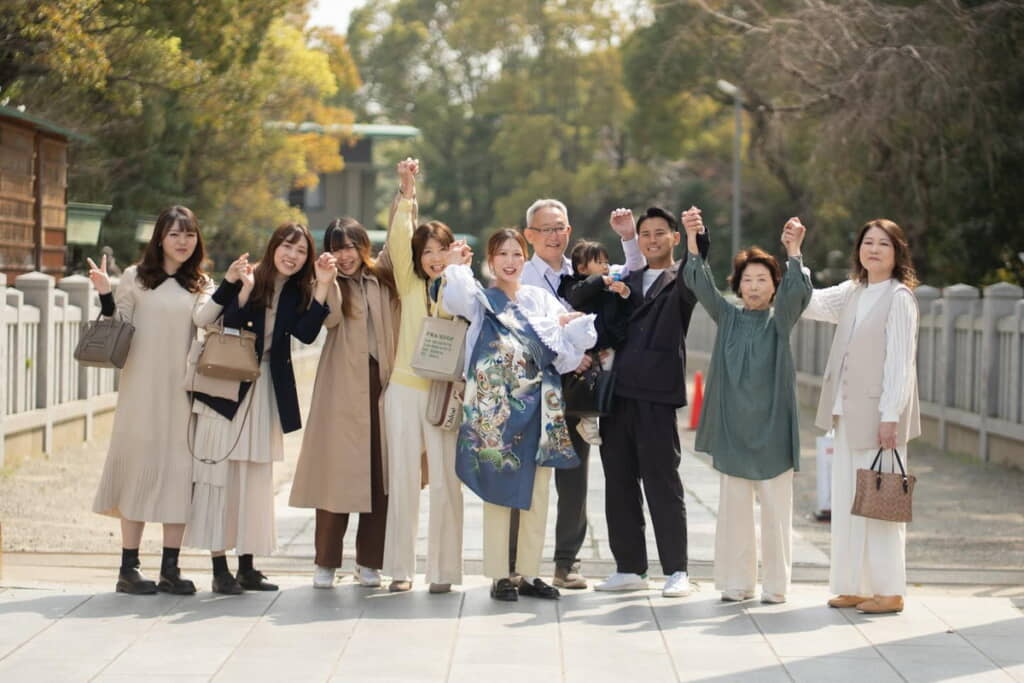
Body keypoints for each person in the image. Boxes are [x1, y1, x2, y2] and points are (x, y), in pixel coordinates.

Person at [441, 229, 596, 601]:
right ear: (491, 260)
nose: (510, 261)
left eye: (516, 254)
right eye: (502, 254)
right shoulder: (481, 300)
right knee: (499, 488)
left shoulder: (540, 299)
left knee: (539, 490)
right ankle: (499, 575)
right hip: (496, 409)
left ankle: (528, 572)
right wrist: (455, 267)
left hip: (540, 404)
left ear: (524, 258)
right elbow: (454, 298)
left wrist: (569, 327)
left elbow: (566, 352)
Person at [185, 223, 336, 594]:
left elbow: (305, 334)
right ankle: (219, 568)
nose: (292, 256)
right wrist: (237, 287)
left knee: (255, 480)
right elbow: (203, 320)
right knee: (217, 478)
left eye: (301, 251)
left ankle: (247, 566)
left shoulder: (300, 291)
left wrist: (323, 285)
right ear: (273, 247)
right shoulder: (246, 277)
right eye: (287, 247)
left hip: (267, 389)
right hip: (226, 387)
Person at [681, 208, 811, 604]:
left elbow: (797, 293)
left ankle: (776, 585)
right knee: (735, 512)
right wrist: (691, 238)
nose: (755, 286)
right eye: (748, 280)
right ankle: (737, 583)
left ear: (774, 286)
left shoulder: (780, 320)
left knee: (776, 512)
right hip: (733, 427)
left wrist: (794, 252)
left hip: (772, 425)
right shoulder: (728, 317)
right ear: (737, 286)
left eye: (763, 279)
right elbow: (699, 283)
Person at [90, 206, 216, 595]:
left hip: (182, 391)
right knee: (138, 471)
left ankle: (170, 568)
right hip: (140, 392)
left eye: (189, 234)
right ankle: (128, 568)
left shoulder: (202, 283)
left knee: (179, 472)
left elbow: (208, 322)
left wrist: (232, 287)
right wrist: (106, 294)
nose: (183, 241)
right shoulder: (135, 277)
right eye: (175, 234)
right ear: (159, 237)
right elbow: (119, 323)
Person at [798, 218, 920, 615]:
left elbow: (900, 365)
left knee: (880, 503)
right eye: (867, 243)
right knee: (850, 501)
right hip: (846, 413)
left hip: (881, 416)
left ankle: (889, 590)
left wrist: (890, 417)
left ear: (897, 252)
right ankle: (852, 585)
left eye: (883, 244)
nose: (874, 250)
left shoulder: (900, 297)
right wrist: (796, 254)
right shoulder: (853, 291)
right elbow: (810, 303)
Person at [521, 200, 645, 589]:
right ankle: (518, 562)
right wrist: (568, 356)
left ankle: (566, 562)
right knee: (528, 479)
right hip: (533, 387)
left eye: (560, 228)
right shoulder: (520, 275)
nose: (554, 236)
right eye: (546, 230)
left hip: (575, 391)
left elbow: (634, 273)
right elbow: (519, 331)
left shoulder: (584, 273)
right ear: (530, 236)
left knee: (573, 477)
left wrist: (628, 238)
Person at [596, 206, 708, 597]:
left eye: (661, 233)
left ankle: (677, 569)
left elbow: (698, 263)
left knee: (662, 481)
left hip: (657, 394)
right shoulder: (626, 277)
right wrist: (626, 239)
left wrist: (698, 233)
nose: (653, 240)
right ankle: (630, 567)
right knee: (618, 481)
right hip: (617, 392)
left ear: (675, 238)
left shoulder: (684, 281)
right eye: (646, 234)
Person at [288, 218, 400, 589]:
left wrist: (406, 192)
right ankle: (326, 561)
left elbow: (400, 237)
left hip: (382, 387)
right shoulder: (329, 283)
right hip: (341, 390)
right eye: (337, 247)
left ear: (363, 246)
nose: (345, 255)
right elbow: (329, 318)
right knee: (336, 476)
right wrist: (324, 281)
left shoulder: (382, 277)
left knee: (379, 477)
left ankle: (370, 561)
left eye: (350, 246)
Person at [381, 158, 464, 594]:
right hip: (404, 388)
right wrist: (407, 191)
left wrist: (459, 272)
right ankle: (399, 568)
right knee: (404, 479)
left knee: (447, 482)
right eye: (426, 251)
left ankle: (443, 571)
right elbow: (398, 237)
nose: (433, 258)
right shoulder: (409, 284)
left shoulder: (458, 285)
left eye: (441, 249)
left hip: (444, 394)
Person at [557, 236, 632, 445]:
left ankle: (599, 415)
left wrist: (624, 293)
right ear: (582, 268)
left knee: (609, 380)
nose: (605, 266)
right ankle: (587, 421)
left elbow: (625, 312)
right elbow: (577, 296)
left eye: (606, 262)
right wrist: (599, 280)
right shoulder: (572, 284)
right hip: (587, 348)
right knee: (589, 384)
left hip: (609, 345)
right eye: (599, 262)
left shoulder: (610, 286)